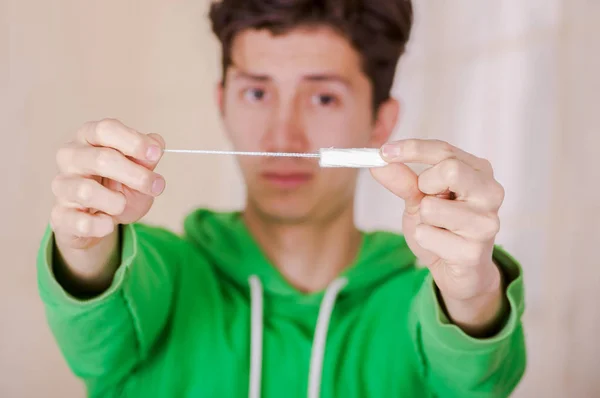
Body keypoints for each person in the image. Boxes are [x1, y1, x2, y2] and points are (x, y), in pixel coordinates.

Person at [36, 0, 526, 397]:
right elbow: (100, 324)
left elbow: (478, 379)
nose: (283, 137)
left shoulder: (421, 307)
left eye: (323, 98)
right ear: (221, 101)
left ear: (381, 121)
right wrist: (87, 244)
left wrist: (473, 295)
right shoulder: (163, 280)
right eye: (256, 93)